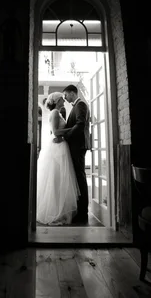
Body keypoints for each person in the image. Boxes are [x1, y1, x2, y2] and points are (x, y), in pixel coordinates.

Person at [36, 92, 80, 225]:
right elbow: (55, 132)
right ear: (57, 101)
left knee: (61, 179)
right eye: (61, 99)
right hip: (57, 148)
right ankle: (54, 211)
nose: (63, 100)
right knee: (56, 179)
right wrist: (72, 129)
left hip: (61, 145)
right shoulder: (55, 113)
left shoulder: (58, 112)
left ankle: (60, 210)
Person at [53, 84, 91, 223]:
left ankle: (83, 213)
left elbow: (80, 125)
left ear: (72, 93)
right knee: (77, 177)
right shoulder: (76, 106)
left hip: (78, 146)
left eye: (66, 95)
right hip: (76, 146)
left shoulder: (81, 105)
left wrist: (66, 136)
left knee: (80, 178)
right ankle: (79, 211)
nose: (66, 98)